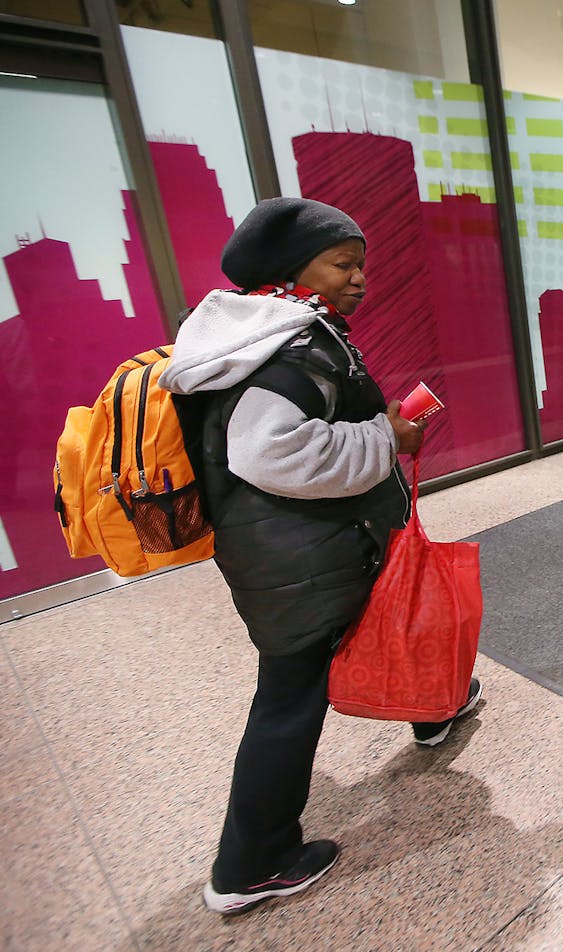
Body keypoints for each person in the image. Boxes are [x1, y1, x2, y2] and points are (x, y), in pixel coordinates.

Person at [159, 197, 482, 915]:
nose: (359, 278)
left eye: (360, 263)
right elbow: (269, 450)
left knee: (398, 617)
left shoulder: (270, 333)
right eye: (342, 263)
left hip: (298, 546)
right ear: (289, 269)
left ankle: (437, 705)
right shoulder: (288, 347)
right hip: (301, 556)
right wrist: (386, 440)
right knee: (288, 699)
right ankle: (252, 862)